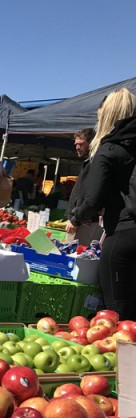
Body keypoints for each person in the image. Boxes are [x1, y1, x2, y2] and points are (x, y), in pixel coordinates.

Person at [69, 88, 136, 318]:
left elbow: (92, 199)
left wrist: (76, 216)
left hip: (122, 235)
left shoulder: (108, 150)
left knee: (117, 314)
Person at [66, 127, 102, 245]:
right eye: (76, 144)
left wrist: (76, 220)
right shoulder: (88, 163)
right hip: (81, 220)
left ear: (91, 143)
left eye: (81, 144)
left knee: (79, 257)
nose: (77, 147)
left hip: (86, 222)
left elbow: (89, 195)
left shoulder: (95, 163)